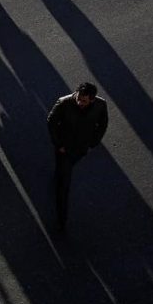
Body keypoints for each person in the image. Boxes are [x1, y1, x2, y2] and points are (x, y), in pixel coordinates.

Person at [47, 83, 109, 232]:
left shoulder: (100, 105)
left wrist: (93, 143)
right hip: (64, 149)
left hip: (81, 148)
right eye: (79, 98)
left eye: (84, 101)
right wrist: (58, 144)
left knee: (64, 171)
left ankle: (59, 174)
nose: (80, 102)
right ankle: (62, 219)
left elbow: (103, 124)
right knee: (63, 186)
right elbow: (51, 121)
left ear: (92, 100)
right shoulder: (64, 102)